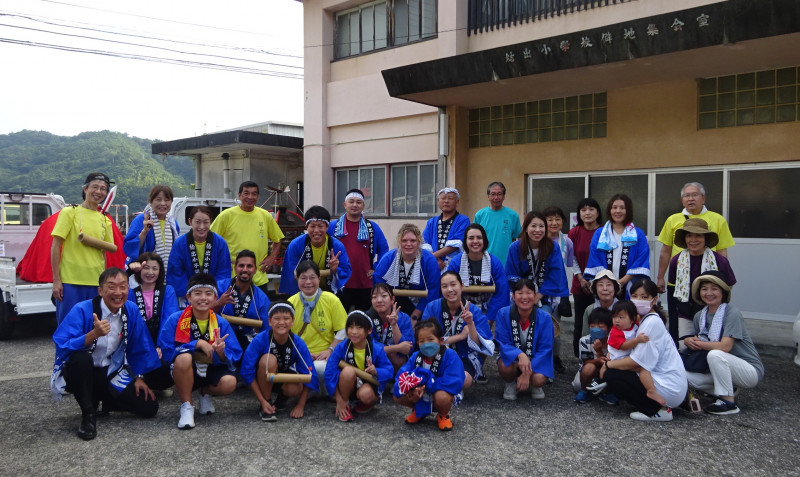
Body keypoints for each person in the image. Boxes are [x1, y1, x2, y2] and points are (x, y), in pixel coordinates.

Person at [51, 267, 160, 441]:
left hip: (109, 371)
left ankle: (102, 396)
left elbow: (140, 344)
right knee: (80, 359)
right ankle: (88, 415)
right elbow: (62, 344)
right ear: (100, 290)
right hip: (80, 371)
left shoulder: (130, 310)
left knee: (149, 407)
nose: (118, 292)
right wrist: (92, 335)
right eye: (111, 286)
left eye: (123, 286)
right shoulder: (83, 309)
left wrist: (139, 376)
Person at [158, 273, 242, 430]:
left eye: (208, 294)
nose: (203, 298)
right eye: (198, 293)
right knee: (183, 359)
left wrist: (221, 352)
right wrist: (197, 343)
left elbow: (234, 354)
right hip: (186, 371)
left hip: (211, 370)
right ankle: (187, 405)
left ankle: (205, 392)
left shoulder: (220, 322)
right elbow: (167, 351)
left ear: (215, 297)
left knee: (230, 383)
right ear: (189, 297)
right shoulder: (175, 320)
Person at [656, 182, 735, 344]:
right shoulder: (672, 220)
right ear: (682, 199)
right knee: (678, 326)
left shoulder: (717, 219)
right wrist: (660, 277)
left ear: (703, 198)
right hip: (680, 284)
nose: (690, 199)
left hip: (707, 283)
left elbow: (722, 251)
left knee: (709, 326)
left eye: (695, 195)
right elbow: (665, 250)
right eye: (687, 195)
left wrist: (719, 281)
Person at [599, 279, 687, 422]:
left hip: (668, 387)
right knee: (618, 369)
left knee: (612, 374)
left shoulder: (651, 322)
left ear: (654, 300)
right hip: (666, 383)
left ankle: (657, 410)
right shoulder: (642, 320)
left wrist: (607, 365)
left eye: (644, 297)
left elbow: (636, 363)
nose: (638, 300)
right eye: (634, 296)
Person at [684, 271, 763, 415]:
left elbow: (725, 347)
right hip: (722, 366)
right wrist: (689, 340)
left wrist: (699, 343)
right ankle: (728, 389)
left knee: (715, 354)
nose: (709, 293)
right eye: (704, 288)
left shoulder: (732, 313)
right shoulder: (699, 316)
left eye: (714, 288)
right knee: (684, 375)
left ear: (723, 292)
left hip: (749, 370)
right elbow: (699, 342)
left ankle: (728, 403)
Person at [51, 172, 116, 323]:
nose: (99, 192)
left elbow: (104, 253)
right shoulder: (70, 212)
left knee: (92, 327)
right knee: (69, 327)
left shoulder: (105, 220)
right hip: (71, 282)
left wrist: (104, 283)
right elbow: (56, 245)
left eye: (103, 189)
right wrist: (56, 280)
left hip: (96, 283)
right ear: (85, 189)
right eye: (95, 187)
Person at [239, 301, 318, 421]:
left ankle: (281, 400)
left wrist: (300, 405)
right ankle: (266, 403)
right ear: (269, 321)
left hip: (283, 380)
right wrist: (262, 400)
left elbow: (310, 374)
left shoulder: (298, 343)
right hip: (263, 378)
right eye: (276, 319)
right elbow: (246, 371)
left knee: (295, 387)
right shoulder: (260, 339)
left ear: (293, 321)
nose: (281, 322)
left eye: (286, 318)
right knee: (268, 360)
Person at [667, 218, 736, 345]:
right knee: (684, 347)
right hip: (685, 313)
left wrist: (712, 298)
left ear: (705, 238)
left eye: (698, 235)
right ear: (684, 239)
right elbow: (674, 285)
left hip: (712, 312)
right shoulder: (676, 261)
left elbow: (728, 284)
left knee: (712, 346)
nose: (693, 240)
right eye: (689, 236)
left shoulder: (720, 261)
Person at [422, 271, 495, 388]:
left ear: (462, 286)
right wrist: (460, 337)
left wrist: (471, 324)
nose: (449, 290)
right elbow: (425, 340)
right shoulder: (432, 307)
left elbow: (484, 346)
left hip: (465, 356)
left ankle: (445, 387)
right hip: (437, 354)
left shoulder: (474, 311)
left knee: (464, 380)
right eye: (444, 286)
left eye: (453, 284)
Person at [210, 181, 285, 294]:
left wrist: (271, 258)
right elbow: (211, 240)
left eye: (254, 194)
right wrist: (223, 260)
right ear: (239, 195)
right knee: (230, 311)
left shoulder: (265, 216)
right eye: (246, 193)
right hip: (232, 277)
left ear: (257, 196)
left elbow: (278, 239)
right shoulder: (226, 216)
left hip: (259, 278)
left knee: (258, 310)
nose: (250, 197)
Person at [287, 261, 348, 394]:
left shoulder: (331, 299)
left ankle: (323, 393)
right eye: (303, 278)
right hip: (301, 355)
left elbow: (343, 329)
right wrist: (301, 354)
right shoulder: (290, 303)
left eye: (312, 277)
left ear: (319, 279)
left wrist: (330, 350)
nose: (308, 282)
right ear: (297, 279)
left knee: (320, 369)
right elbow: (285, 334)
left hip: (325, 355)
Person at [394, 319, 465, 431]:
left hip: (441, 392)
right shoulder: (416, 356)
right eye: (422, 341)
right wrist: (413, 388)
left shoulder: (450, 355)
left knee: (441, 397)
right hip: (420, 392)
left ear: (441, 340)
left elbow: (454, 380)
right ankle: (419, 411)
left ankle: (443, 415)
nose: (426, 344)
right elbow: (401, 376)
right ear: (417, 343)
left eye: (431, 339)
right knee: (399, 393)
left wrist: (427, 386)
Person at [588, 301, 664, 406]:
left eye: (621, 317)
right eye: (614, 317)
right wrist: (637, 340)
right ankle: (651, 390)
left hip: (626, 358)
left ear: (632, 319)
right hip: (619, 360)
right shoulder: (616, 332)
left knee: (644, 368)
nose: (617, 321)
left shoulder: (634, 325)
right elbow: (623, 346)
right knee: (643, 368)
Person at [324, 311, 394, 422]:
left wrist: (376, 371)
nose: (354, 332)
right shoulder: (341, 347)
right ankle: (346, 405)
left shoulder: (376, 349)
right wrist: (340, 401)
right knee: (347, 371)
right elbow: (329, 373)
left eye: (359, 328)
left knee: (366, 395)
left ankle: (364, 403)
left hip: (367, 385)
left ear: (369, 330)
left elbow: (389, 371)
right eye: (350, 327)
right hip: (346, 385)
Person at [328, 188, 390, 311]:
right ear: (345, 205)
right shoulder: (333, 227)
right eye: (351, 202)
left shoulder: (372, 227)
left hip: (365, 283)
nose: (355, 205)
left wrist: (376, 268)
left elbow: (384, 250)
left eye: (358, 202)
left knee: (364, 322)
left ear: (363, 206)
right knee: (340, 324)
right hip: (341, 282)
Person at [127, 252, 179, 391]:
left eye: (155, 268)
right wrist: (128, 271)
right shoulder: (131, 292)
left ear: (160, 271)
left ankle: (157, 385)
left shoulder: (168, 290)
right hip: (139, 346)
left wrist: (160, 345)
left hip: (161, 345)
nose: (150, 272)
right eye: (146, 268)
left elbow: (170, 320)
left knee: (164, 363)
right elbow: (130, 324)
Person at [495, 279, 554, 401]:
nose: (524, 297)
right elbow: (503, 343)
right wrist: (520, 354)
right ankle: (510, 383)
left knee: (539, 379)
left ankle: (533, 384)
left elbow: (545, 349)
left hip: (535, 359)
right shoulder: (503, 313)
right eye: (520, 293)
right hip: (514, 360)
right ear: (513, 296)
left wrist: (527, 372)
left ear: (535, 295)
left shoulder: (545, 318)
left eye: (529, 293)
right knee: (504, 366)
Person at [584, 194, 650, 298]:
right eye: (614, 207)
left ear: (628, 210)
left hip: (630, 286)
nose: (618, 211)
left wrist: (622, 282)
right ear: (609, 210)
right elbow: (595, 258)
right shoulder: (600, 234)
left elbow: (641, 259)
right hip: (605, 287)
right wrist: (610, 284)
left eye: (622, 208)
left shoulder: (638, 234)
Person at [373, 223, 441, 323]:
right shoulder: (388, 258)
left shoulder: (429, 260)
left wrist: (414, 316)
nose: (408, 244)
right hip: (394, 303)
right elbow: (378, 283)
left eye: (413, 240)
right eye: (404, 241)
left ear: (419, 242)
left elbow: (433, 291)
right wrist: (389, 310)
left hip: (423, 304)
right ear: (399, 242)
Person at [505, 211, 570, 315]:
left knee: (544, 317)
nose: (538, 230)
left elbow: (556, 274)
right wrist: (526, 295)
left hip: (546, 295)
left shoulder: (552, 247)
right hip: (521, 294)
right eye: (533, 226)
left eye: (541, 226)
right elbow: (511, 274)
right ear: (526, 228)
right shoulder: (515, 247)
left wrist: (538, 296)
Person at [167, 206, 232, 306]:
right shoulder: (180, 243)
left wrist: (210, 293)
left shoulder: (220, 243)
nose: (202, 227)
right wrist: (193, 294)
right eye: (197, 222)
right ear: (190, 221)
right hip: (187, 297)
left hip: (213, 297)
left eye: (206, 222)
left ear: (211, 221)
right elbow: (176, 272)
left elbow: (223, 272)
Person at [279, 205, 351, 296]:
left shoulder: (337, 246)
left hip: (329, 293)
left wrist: (335, 269)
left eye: (320, 226)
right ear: (306, 227)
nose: (316, 231)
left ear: (327, 227)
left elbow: (345, 270)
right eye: (312, 226)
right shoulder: (295, 245)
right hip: (303, 292)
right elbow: (292, 273)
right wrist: (328, 272)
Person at [446, 223, 509, 324]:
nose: (475, 241)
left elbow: (502, 292)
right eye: (471, 238)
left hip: (488, 308)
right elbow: (448, 289)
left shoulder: (494, 262)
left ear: (484, 240)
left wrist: (489, 318)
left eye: (479, 238)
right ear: (465, 241)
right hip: (461, 308)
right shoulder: (456, 262)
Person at [213, 249, 271, 353]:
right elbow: (200, 314)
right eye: (241, 266)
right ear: (235, 269)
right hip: (219, 340)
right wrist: (218, 303)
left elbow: (267, 330)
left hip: (248, 343)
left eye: (249, 266)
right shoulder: (219, 287)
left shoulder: (261, 298)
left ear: (255, 270)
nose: (245, 269)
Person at [568, 198, 603, 358]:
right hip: (580, 284)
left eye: (591, 209)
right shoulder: (574, 232)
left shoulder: (604, 231)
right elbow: (571, 257)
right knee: (580, 322)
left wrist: (596, 281)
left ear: (598, 212)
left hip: (601, 284)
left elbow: (606, 258)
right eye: (583, 210)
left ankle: (601, 354)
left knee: (601, 320)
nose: (587, 213)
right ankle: (580, 356)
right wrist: (581, 278)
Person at [543, 206, 575, 373]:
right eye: (550, 219)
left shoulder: (567, 242)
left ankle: (556, 358)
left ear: (563, 221)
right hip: (539, 289)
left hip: (558, 290)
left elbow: (568, 267)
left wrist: (565, 293)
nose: (554, 223)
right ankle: (542, 358)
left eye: (557, 219)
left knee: (555, 327)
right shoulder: (538, 240)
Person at [123, 185, 179, 269]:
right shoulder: (141, 220)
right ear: (150, 201)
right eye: (158, 200)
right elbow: (129, 247)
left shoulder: (173, 223)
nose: (163, 203)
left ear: (171, 202)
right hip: (145, 271)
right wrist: (144, 231)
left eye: (167, 200)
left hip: (166, 272)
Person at [365, 283, 415, 372]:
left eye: (384, 296)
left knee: (397, 358)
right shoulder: (366, 318)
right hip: (372, 361)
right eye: (374, 297)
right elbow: (368, 348)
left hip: (396, 361)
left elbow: (407, 348)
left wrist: (394, 325)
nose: (379, 300)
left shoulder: (404, 318)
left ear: (392, 299)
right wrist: (396, 348)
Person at [572, 307, 617, 404]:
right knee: (579, 383)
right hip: (590, 368)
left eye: (600, 327)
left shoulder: (614, 342)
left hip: (607, 369)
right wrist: (598, 358)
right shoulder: (584, 340)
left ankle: (606, 393)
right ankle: (584, 390)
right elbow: (585, 361)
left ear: (610, 328)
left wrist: (600, 351)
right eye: (592, 326)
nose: (596, 329)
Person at [421, 188, 471, 271]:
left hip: (454, 264)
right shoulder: (431, 222)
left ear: (457, 202)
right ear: (438, 201)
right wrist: (435, 260)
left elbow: (456, 244)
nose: (446, 201)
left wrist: (433, 256)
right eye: (443, 198)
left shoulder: (463, 220)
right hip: (433, 265)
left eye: (450, 198)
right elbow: (425, 243)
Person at [473, 182, 521, 266]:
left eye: (499, 194)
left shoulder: (512, 215)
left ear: (504, 196)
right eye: (493, 194)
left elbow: (516, 240)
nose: (496, 197)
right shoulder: (480, 215)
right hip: (484, 262)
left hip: (506, 263)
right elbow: (474, 239)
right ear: (488, 197)